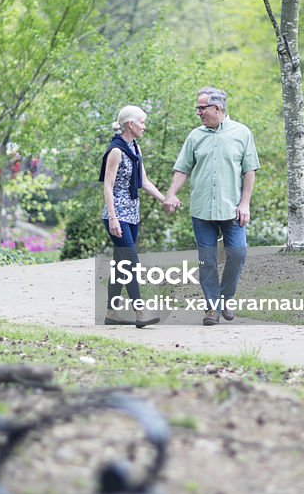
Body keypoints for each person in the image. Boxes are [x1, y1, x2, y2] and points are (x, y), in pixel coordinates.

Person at [163, 87, 259, 325]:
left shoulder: (242, 133)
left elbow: (249, 171)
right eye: (198, 108)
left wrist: (245, 203)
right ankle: (212, 308)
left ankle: (226, 297)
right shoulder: (195, 136)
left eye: (201, 108)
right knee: (207, 261)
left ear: (217, 108)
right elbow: (182, 168)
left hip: (232, 209)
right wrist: (171, 193)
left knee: (237, 253)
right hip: (202, 209)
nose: (198, 113)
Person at [99, 105, 168, 327]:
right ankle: (141, 313)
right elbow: (108, 187)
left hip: (132, 214)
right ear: (130, 124)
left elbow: (144, 181)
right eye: (142, 122)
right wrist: (112, 217)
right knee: (131, 262)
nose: (144, 127)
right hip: (117, 215)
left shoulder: (135, 148)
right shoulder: (116, 151)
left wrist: (164, 199)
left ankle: (112, 314)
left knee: (121, 264)